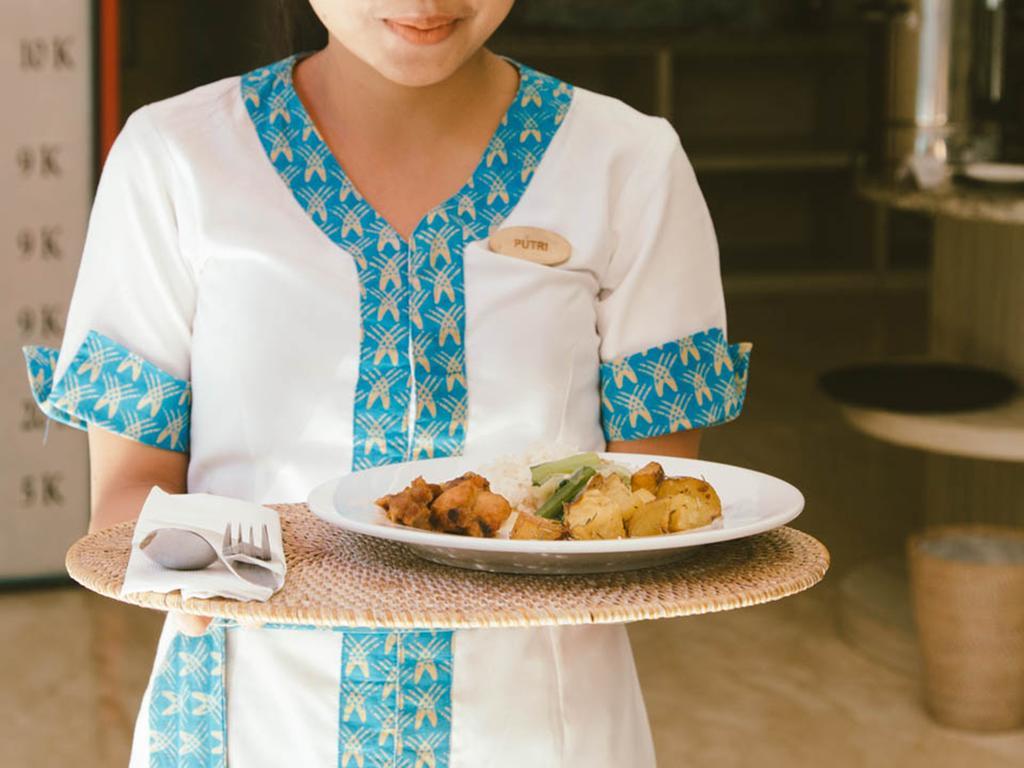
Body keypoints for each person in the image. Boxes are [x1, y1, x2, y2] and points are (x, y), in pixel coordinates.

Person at [23, 1, 750, 765]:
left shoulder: (627, 162)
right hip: (249, 724)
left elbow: (646, 513)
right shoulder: (176, 156)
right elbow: (126, 498)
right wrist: (226, 565)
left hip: (533, 730)